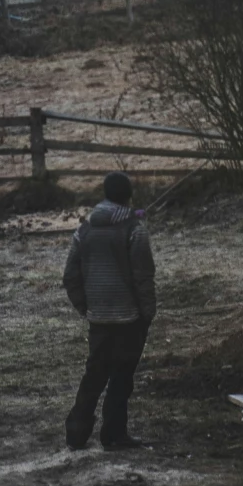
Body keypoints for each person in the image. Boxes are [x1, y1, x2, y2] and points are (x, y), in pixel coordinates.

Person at [62, 170, 156, 450]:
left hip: (98, 317)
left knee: (94, 376)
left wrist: (85, 306)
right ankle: (113, 436)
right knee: (121, 378)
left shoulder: (84, 230)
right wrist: (148, 312)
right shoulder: (135, 230)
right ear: (129, 197)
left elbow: (70, 275)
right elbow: (143, 277)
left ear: (105, 195)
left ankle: (76, 435)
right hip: (129, 319)